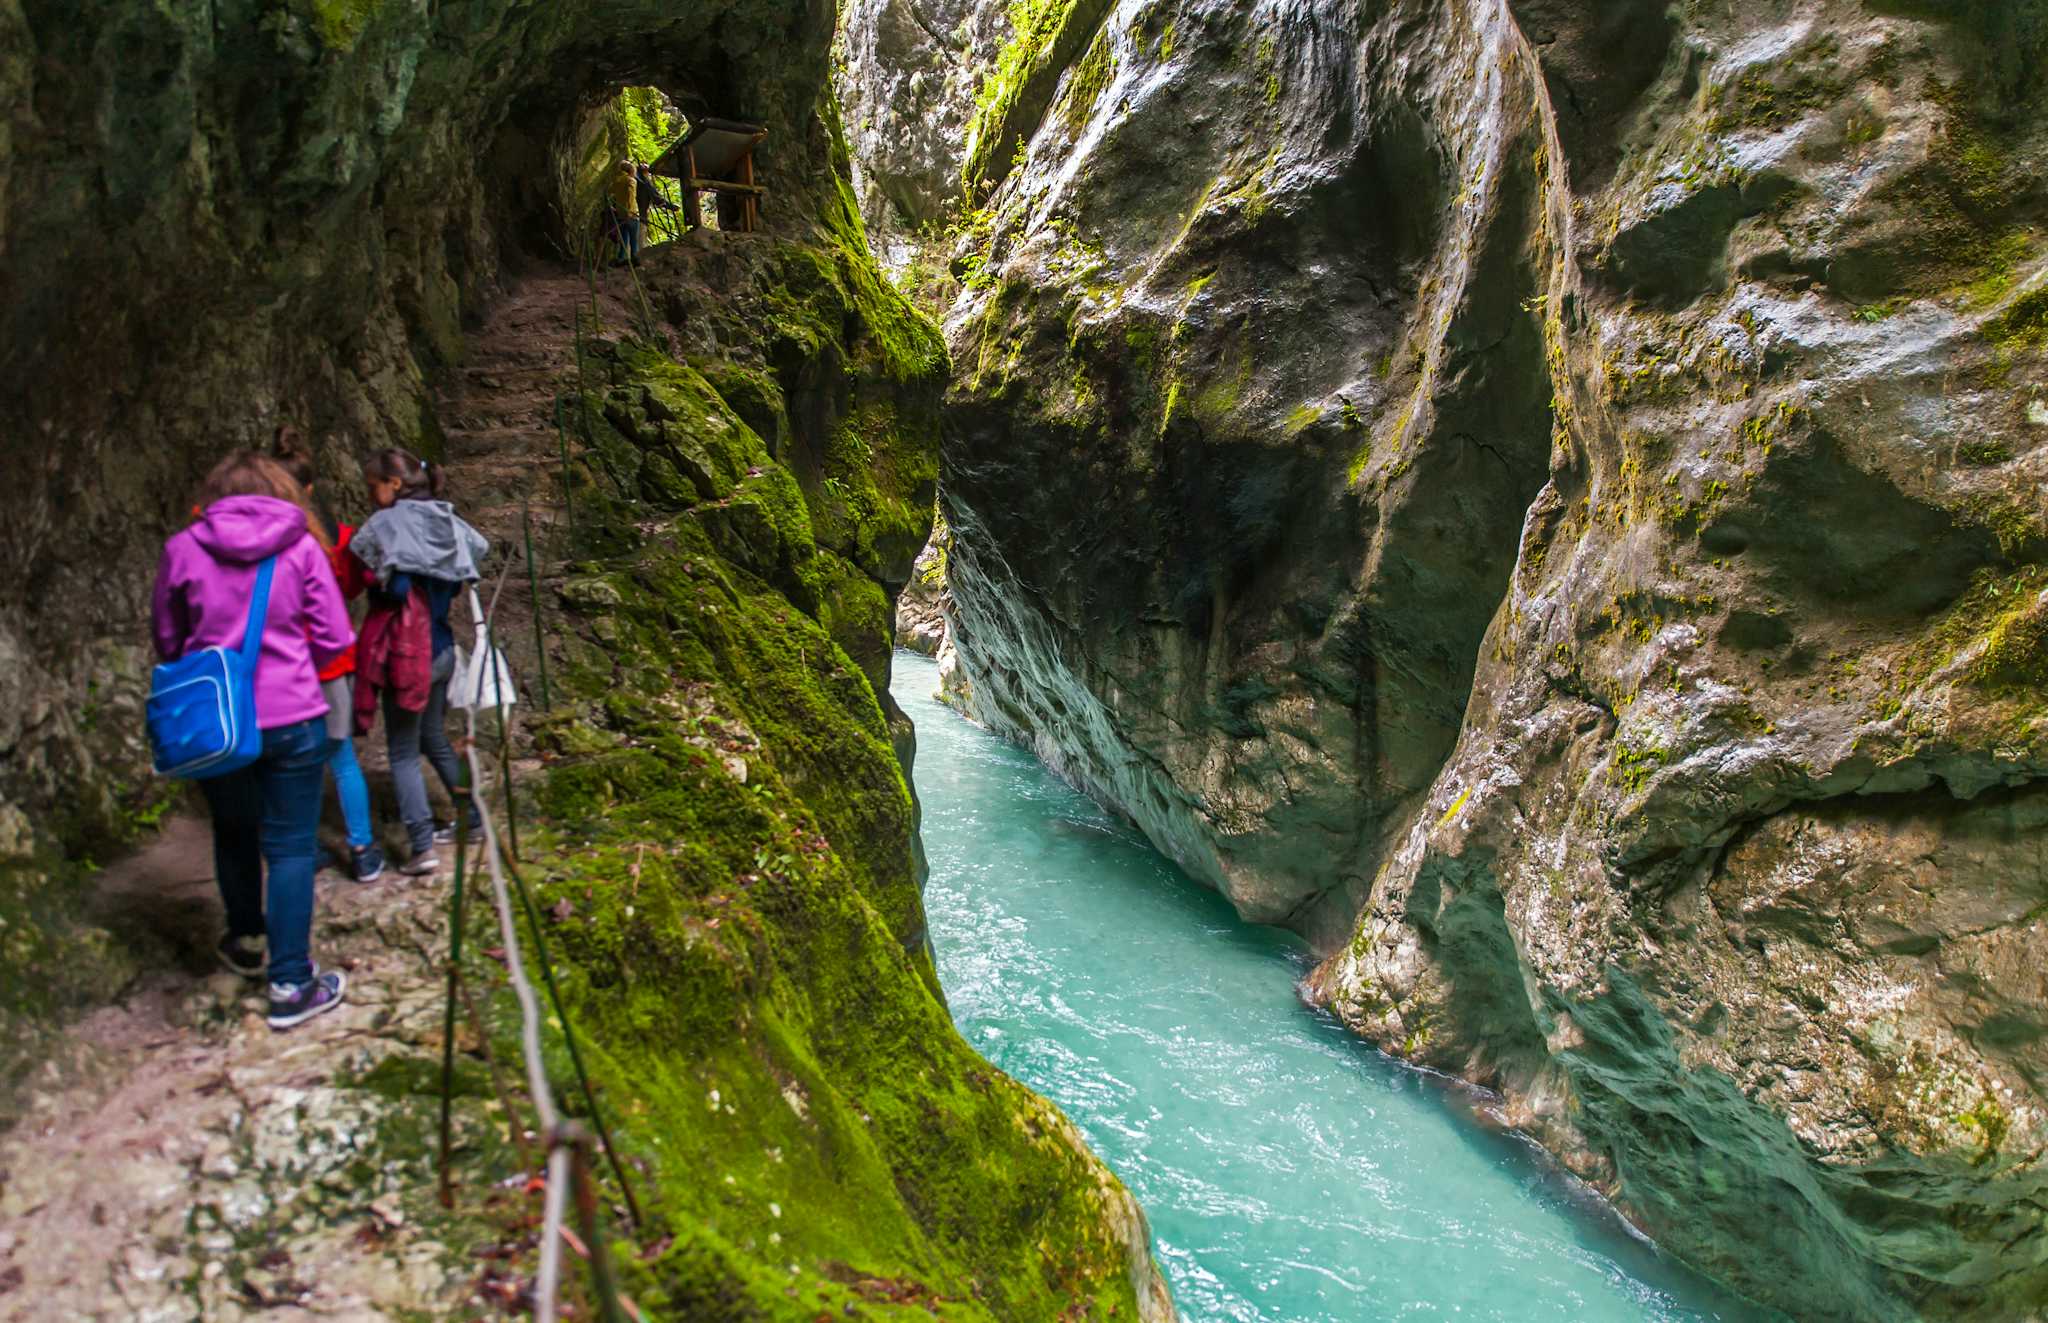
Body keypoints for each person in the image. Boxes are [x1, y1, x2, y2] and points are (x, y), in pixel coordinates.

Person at [151, 451, 354, 1029]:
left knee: (234, 830)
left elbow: (168, 638)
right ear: (281, 491)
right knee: (290, 847)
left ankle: (246, 939)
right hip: (292, 714)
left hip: (217, 720)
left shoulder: (183, 548)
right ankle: (290, 983)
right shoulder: (302, 547)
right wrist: (289, 662)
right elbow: (336, 634)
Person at [347, 448, 489, 875]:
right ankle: (473, 817)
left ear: (393, 484)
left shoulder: (388, 525)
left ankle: (422, 845)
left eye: (374, 487)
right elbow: (477, 550)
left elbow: (386, 582)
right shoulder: (448, 520)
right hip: (443, 649)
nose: (372, 497)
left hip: (408, 653)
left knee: (403, 752)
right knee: (434, 738)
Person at [273, 427, 385, 882]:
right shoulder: (329, 542)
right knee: (340, 760)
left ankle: (299, 846)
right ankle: (361, 848)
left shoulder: (253, 546)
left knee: (285, 764)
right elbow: (354, 586)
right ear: (311, 488)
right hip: (328, 665)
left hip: (277, 669)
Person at [609, 158, 642, 266]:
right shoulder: (631, 181)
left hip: (620, 214)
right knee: (633, 240)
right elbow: (630, 198)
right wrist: (630, 212)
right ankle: (634, 259)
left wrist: (613, 207)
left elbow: (609, 193)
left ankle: (620, 259)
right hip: (631, 214)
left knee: (624, 239)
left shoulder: (616, 181)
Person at [636, 163, 680, 240]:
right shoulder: (645, 183)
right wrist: (672, 207)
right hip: (639, 216)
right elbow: (657, 199)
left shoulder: (632, 179)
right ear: (646, 172)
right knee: (638, 242)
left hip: (624, 215)